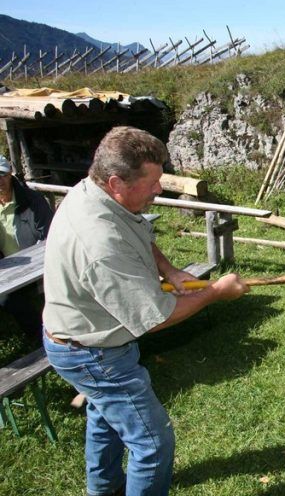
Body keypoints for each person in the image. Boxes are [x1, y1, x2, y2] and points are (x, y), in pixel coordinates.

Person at [42, 127, 251, 496]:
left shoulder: (99, 195)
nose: (159, 189)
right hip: (93, 353)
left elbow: (139, 236)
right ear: (116, 181)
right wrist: (216, 292)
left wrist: (169, 271)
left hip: (84, 338)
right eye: (152, 182)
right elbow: (156, 317)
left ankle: (103, 490)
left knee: (105, 417)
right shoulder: (99, 241)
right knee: (153, 445)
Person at [0, 154, 54, 339]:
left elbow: (49, 234)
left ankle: (42, 338)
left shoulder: (32, 199)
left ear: (10, 175)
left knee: (9, 298)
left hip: (37, 268)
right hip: (6, 269)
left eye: (2, 175)